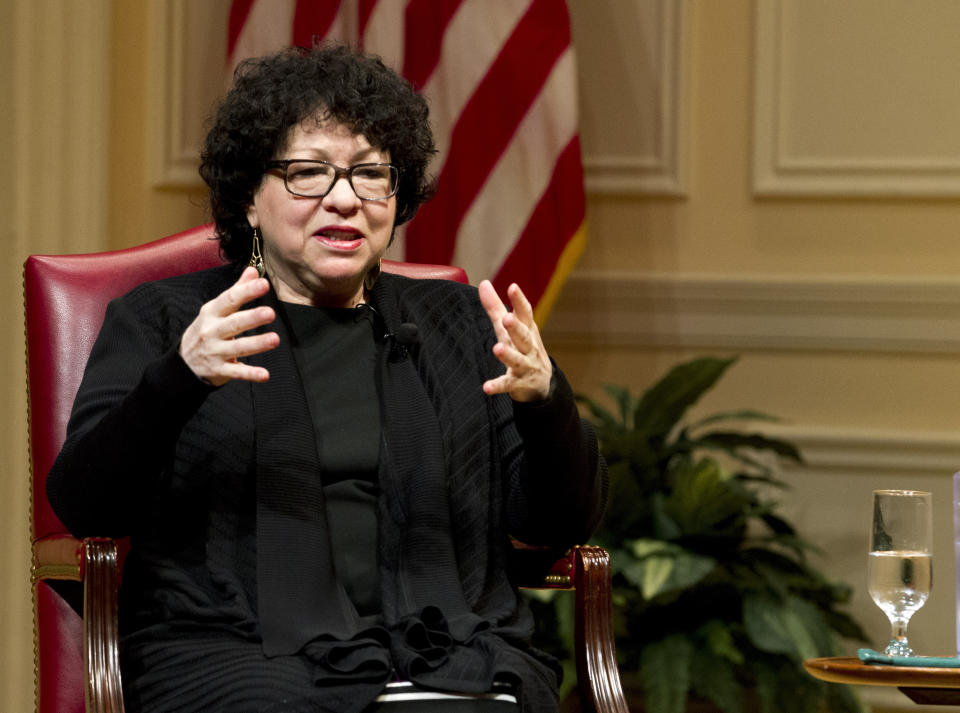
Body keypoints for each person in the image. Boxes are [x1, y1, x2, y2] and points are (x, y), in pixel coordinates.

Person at [47, 45, 606, 713]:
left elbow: (558, 524)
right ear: (251, 198)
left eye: (371, 174)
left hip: (445, 648)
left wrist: (546, 405)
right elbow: (85, 505)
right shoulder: (168, 321)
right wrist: (180, 378)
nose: (344, 199)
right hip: (235, 653)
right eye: (309, 172)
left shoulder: (462, 325)